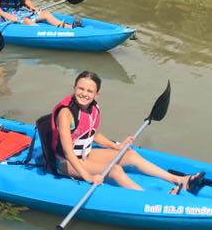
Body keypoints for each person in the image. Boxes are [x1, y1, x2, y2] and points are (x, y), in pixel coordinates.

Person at [51, 71, 202, 193]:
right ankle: (147, 197)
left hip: (86, 154)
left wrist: (117, 147)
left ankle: (178, 179)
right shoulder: (66, 114)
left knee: (130, 155)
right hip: (66, 162)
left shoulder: (93, 108)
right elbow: (68, 151)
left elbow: (93, 134)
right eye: (80, 89)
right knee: (115, 170)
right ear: (74, 88)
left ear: (97, 94)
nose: (84, 94)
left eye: (90, 91)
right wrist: (87, 176)